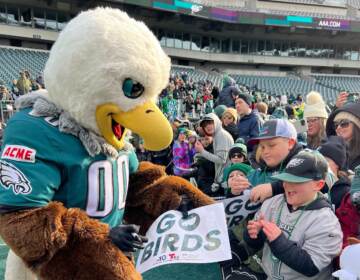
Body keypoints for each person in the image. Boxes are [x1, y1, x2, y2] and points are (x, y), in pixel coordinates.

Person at [244, 151, 343, 279]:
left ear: (318, 185)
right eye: (285, 179)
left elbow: (311, 266)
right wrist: (254, 234)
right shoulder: (273, 202)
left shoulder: (326, 221)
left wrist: (278, 241)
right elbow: (254, 245)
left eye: (296, 181)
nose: (287, 186)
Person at [195, 113, 234, 193]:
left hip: (225, 180)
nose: (208, 127)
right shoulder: (217, 135)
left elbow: (221, 160)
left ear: (216, 122)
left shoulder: (221, 135)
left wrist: (202, 151)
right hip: (223, 179)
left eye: (210, 123)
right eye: (205, 125)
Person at [318, 136, 350, 210]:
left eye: (325, 160)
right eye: (318, 159)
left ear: (337, 165)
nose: (320, 163)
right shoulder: (313, 186)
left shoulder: (345, 192)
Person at [326, 102, 360, 171]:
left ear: (356, 126)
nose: (338, 128)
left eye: (344, 123)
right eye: (336, 125)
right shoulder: (332, 152)